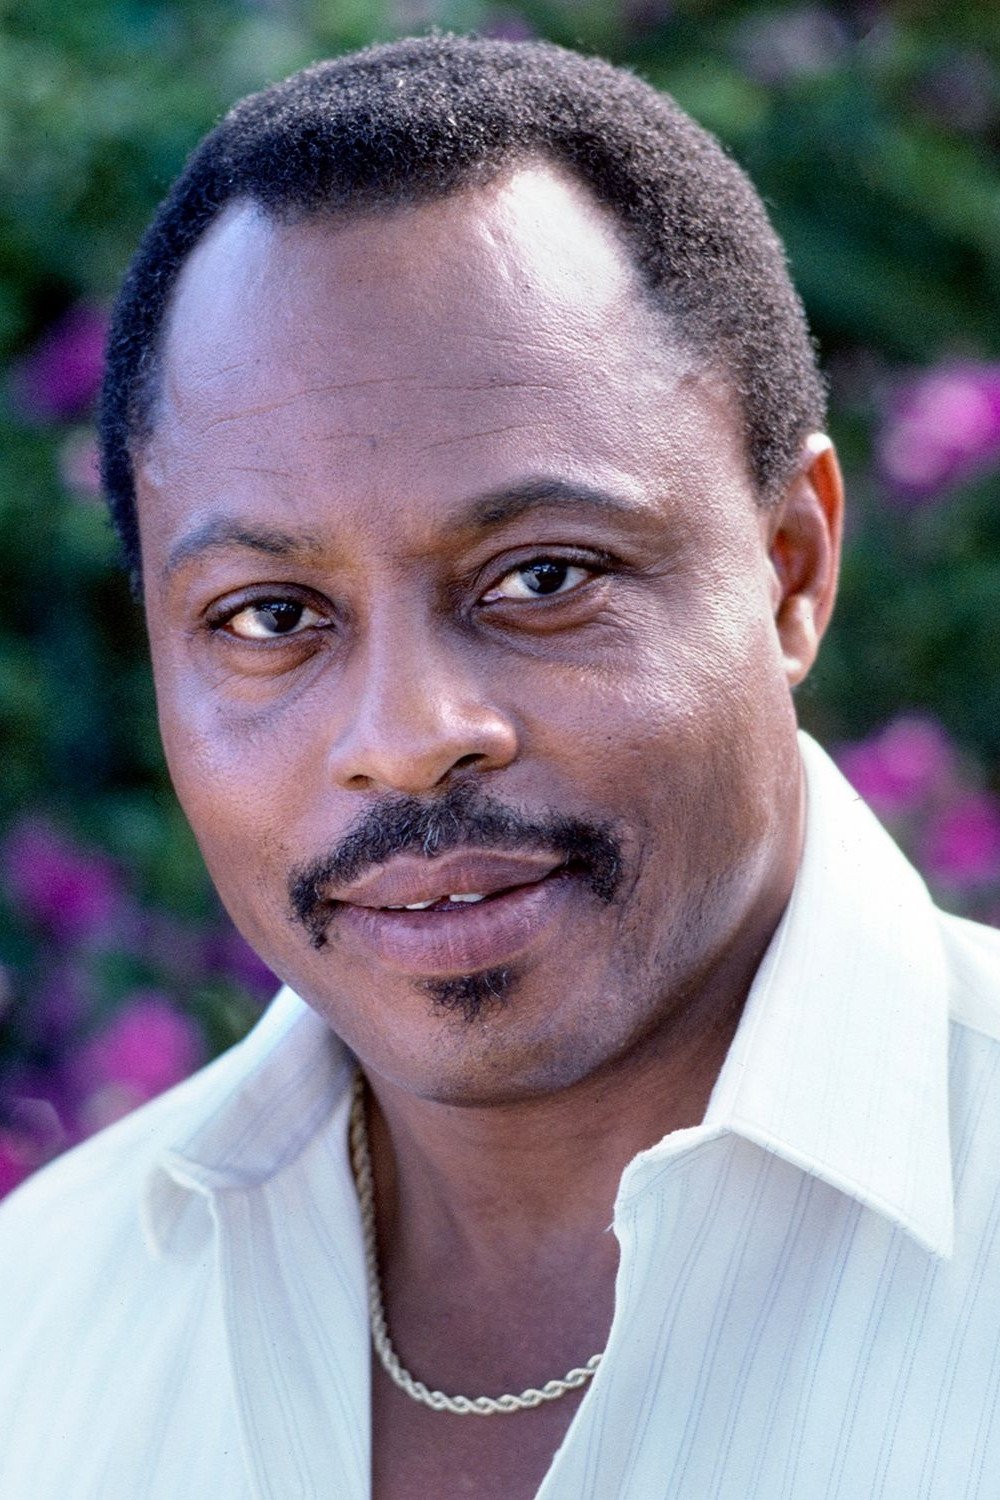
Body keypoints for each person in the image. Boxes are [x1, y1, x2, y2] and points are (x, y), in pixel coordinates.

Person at [2, 32, 999, 1500]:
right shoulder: (41, 1328)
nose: (408, 736)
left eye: (541, 578)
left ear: (791, 568)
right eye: (270, 617)